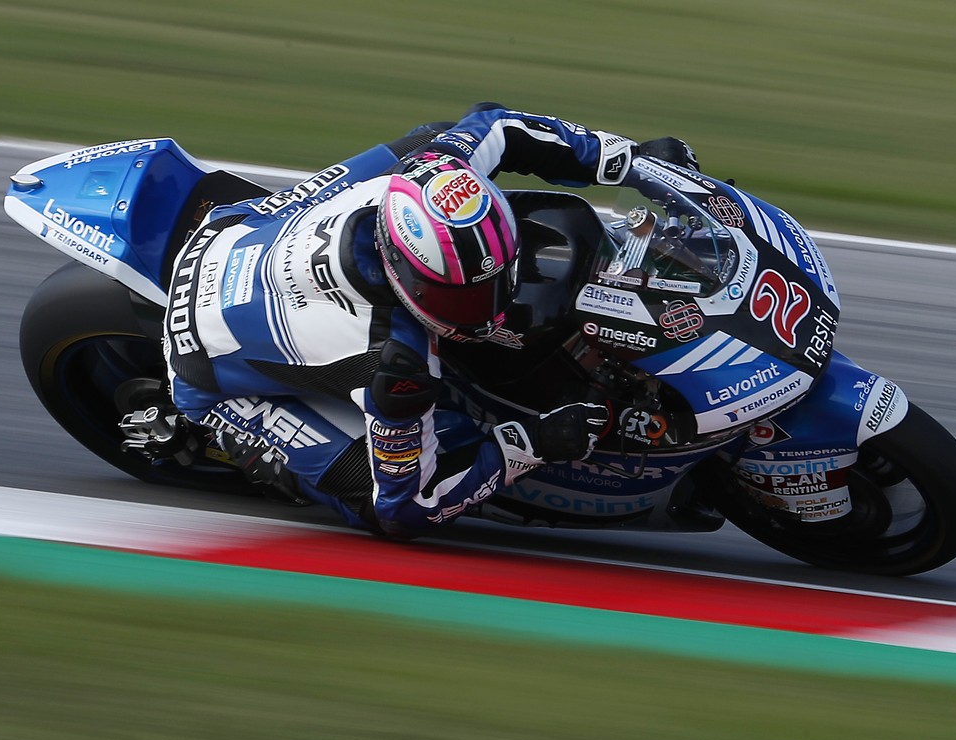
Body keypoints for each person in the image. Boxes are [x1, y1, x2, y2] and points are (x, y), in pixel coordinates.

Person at [121, 103, 698, 538]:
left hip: (237, 228)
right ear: (409, 276)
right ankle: (229, 444)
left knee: (425, 136)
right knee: (382, 499)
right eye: (469, 297)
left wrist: (626, 162)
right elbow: (409, 506)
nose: (491, 307)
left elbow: (498, 125)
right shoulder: (395, 362)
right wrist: (533, 444)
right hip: (203, 357)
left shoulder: (435, 173)